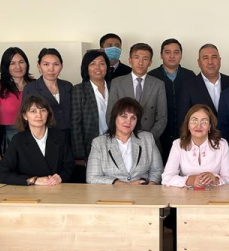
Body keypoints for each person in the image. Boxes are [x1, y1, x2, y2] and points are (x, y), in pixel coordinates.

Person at [0, 95, 74, 251]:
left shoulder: (60, 136)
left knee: (61, 231)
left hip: (58, 196)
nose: (38, 115)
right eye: (33, 111)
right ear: (24, 116)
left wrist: (61, 176)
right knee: (36, 234)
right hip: (32, 200)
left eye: (42, 110)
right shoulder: (19, 140)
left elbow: (69, 166)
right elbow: (2, 174)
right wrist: (33, 180)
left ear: (48, 114)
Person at [86, 97, 163, 251]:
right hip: (111, 203)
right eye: (123, 116)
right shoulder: (100, 143)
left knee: (148, 235)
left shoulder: (146, 139)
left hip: (143, 201)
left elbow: (157, 169)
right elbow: (92, 177)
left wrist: (151, 184)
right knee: (108, 239)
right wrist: (121, 184)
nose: (128, 121)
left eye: (133, 117)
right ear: (114, 118)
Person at [162, 104, 229, 251]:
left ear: (210, 126)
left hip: (211, 203)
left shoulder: (221, 145)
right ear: (188, 124)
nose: (199, 125)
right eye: (194, 120)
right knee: (179, 229)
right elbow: (166, 178)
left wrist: (216, 179)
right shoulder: (178, 144)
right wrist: (189, 180)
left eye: (204, 121)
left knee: (207, 232)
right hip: (184, 202)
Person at [106, 43, 167, 147]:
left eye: (145, 59)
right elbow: (110, 115)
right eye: (136, 57)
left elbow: (162, 118)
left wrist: (148, 139)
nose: (140, 62)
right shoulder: (117, 83)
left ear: (150, 62)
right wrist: (122, 137)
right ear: (130, 60)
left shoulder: (158, 84)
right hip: (121, 141)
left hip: (150, 142)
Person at [149, 38, 195, 160]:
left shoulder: (190, 76)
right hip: (159, 133)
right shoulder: (152, 76)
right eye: (167, 52)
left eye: (176, 52)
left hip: (186, 131)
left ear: (181, 55)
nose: (172, 56)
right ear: (161, 55)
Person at [0, 47, 34, 170]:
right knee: (11, 177)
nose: (18, 67)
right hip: (8, 139)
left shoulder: (35, 85)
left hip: (34, 137)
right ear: (6, 66)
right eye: (12, 63)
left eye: (21, 62)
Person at [71, 49, 111, 183]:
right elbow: (75, 124)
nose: (97, 68)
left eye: (102, 63)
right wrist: (80, 155)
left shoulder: (114, 86)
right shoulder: (79, 90)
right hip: (91, 146)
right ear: (86, 68)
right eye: (92, 64)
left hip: (114, 143)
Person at [177, 43, 229, 128]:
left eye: (214, 57)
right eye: (205, 58)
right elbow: (184, 120)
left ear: (220, 60)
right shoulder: (188, 86)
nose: (210, 62)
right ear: (199, 62)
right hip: (201, 135)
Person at [22, 48, 73, 142]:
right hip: (44, 137)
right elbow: (25, 116)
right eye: (46, 64)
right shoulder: (31, 88)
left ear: (61, 66)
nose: (51, 69)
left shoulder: (67, 86)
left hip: (69, 136)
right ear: (39, 66)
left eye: (56, 64)